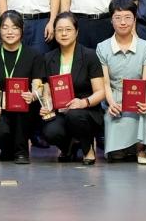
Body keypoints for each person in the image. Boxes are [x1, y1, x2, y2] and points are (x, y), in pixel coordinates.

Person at [41, 13, 107, 164]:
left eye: (68, 29)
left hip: (86, 111)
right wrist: (47, 105)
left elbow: (101, 92)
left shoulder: (89, 56)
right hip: (60, 111)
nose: (64, 34)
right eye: (59, 30)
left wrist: (83, 102)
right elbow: (47, 90)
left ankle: (87, 148)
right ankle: (68, 147)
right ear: (54, 32)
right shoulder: (48, 58)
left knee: (75, 115)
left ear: (76, 32)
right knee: (50, 132)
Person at [97, 0, 146, 164]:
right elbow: (105, 83)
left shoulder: (145, 46)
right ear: (111, 20)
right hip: (113, 95)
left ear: (135, 19)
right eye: (118, 18)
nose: (123, 22)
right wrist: (111, 103)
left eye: (128, 17)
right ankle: (120, 148)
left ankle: (141, 149)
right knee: (115, 152)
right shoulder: (102, 47)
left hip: (139, 95)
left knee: (145, 110)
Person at [0, 11, 44, 164]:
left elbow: (38, 85)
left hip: (25, 109)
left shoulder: (34, 55)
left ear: (22, 30)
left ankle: (21, 151)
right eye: (5, 27)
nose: (9, 32)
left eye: (15, 27)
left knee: (23, 110)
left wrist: (33, 95)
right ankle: (8, 148)